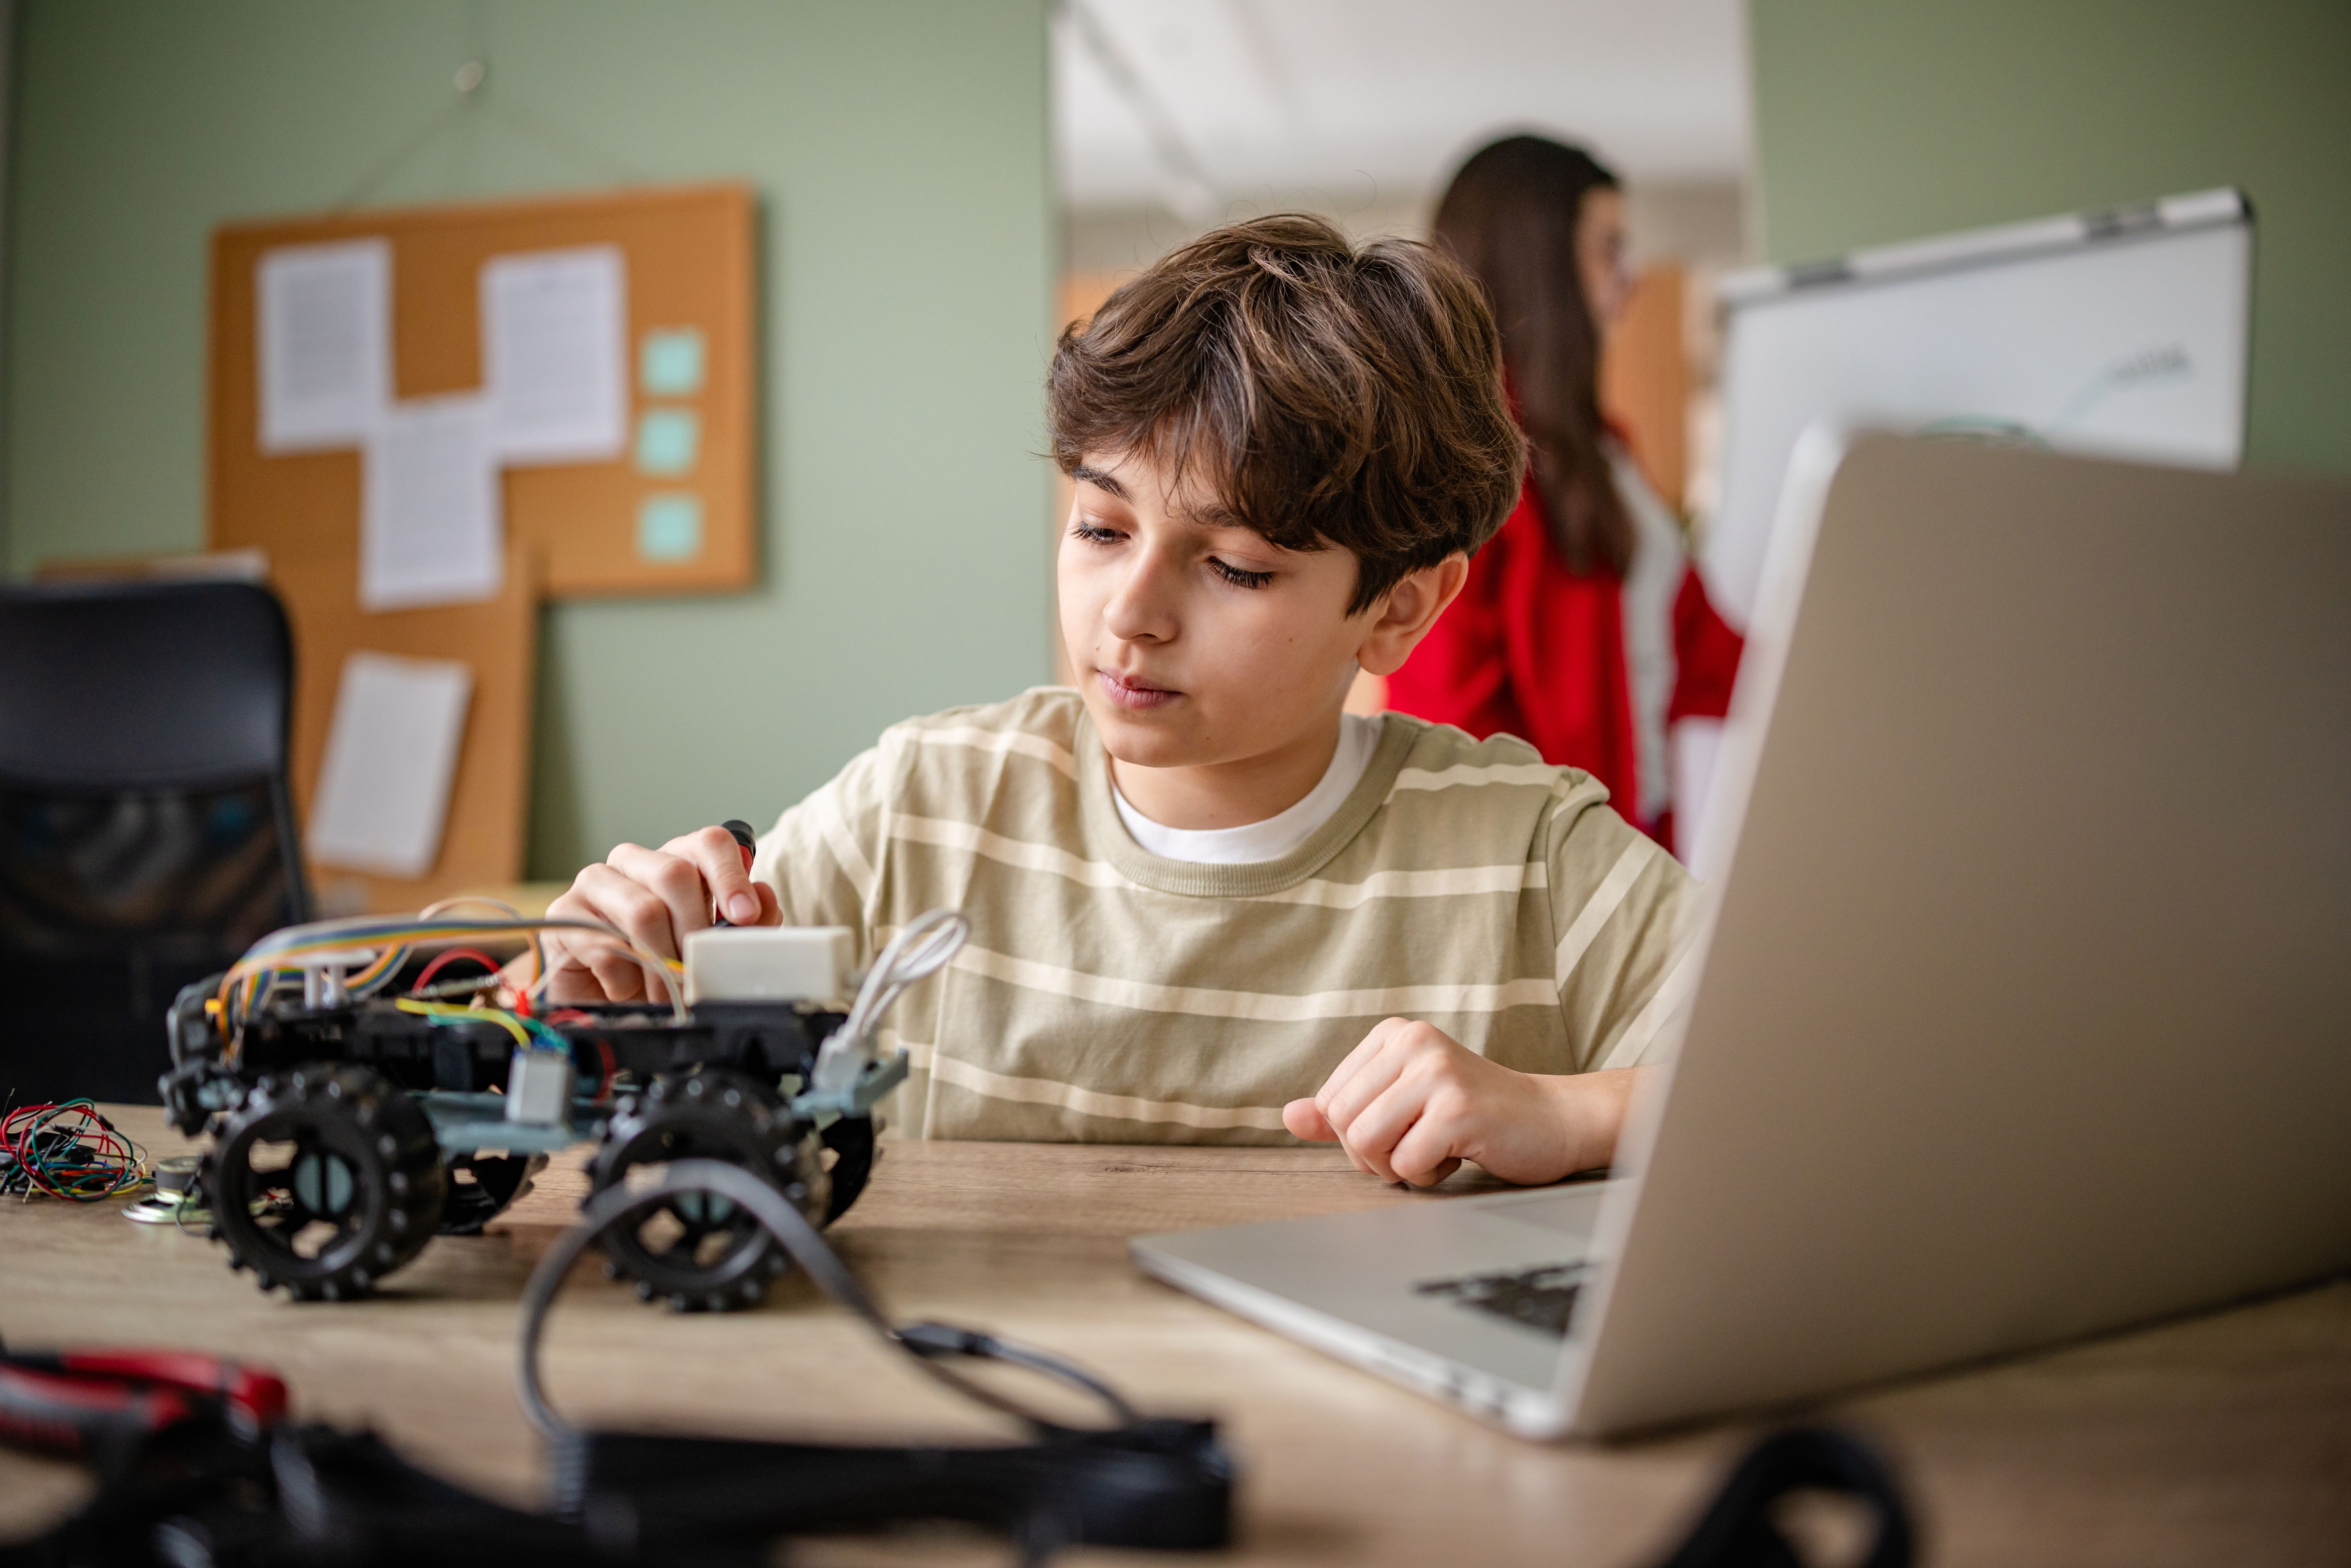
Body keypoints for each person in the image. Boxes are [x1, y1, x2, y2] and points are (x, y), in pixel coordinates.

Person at [527, 216, 1697, 1189]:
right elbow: (608, 1051)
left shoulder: (1533, 863)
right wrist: (606, 973)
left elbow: (1851, 1097)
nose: (1127, 614)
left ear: (1398, 609)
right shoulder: (919, 813)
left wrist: (1576, 1115)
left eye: (1233, 566)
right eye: (1098, 528)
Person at [1384, 135, 1743, 854]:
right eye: (1608, 249)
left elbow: (1695, 649)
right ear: (1539, 267)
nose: (1629, 280)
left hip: (1632, 849)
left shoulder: (1602, 450)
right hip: (1541, 877)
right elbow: (1448, 725)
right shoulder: (1457, 464)